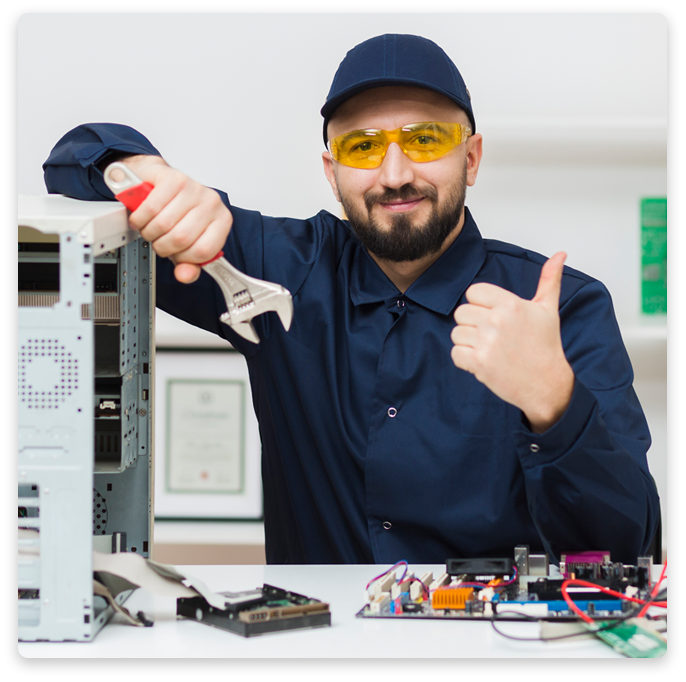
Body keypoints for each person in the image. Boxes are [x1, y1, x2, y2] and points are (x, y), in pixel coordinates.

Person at [43, 33, 659, 565]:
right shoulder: (278, 268)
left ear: (470, 158)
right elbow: (72, 162)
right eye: (362, 147)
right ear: (331, 172)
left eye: (425, 139)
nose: (395, 174)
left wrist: (554, 404)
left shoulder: (560, 310)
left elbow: (633, 550)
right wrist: (144, 176)